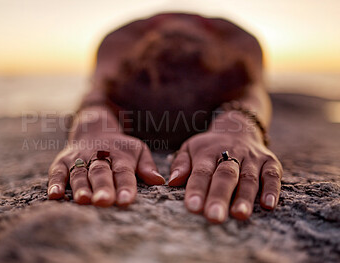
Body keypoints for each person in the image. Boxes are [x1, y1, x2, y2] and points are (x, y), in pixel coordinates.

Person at [47, 13, 283, 224]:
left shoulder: (119, 42)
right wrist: (94, 130)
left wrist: (238, 130)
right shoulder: (238, 42)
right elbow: (98, 93)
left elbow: (253, 92)